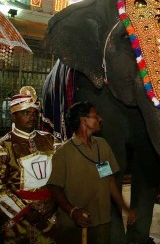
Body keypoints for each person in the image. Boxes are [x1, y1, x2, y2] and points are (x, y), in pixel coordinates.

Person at [47, 101, 136, 243]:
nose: (100, 119)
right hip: (74, 226)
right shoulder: (64, 152)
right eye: (96, 116)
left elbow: (109, 180)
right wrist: (72, 212)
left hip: (102, 222)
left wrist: (124, 207)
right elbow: (54, 188)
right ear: (84, 120)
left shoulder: (102, 145)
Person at [0, 86, 61, 243]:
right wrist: (24, 211)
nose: (32, 117)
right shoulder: (4, 145)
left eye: (35, 113)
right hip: (18, 221)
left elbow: (62, 174)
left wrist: (55, 203)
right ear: (13, 116)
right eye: (26, 113)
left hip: (50, 216)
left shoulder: (51, 140)